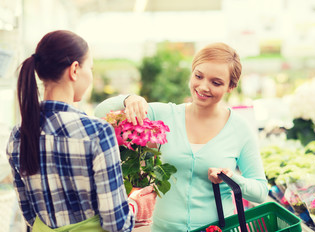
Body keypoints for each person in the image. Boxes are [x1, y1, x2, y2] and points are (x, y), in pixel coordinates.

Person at [94, 42, 269, 231]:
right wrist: (128, 99)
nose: (203, 87)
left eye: (216, 82)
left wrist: (231, 178)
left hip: (217, 228)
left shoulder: (239, 128)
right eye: (198, 76)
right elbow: (100, 113)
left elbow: (260, 192)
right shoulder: (164, 115)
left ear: (230, 87)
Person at [6, 30, 146, 232]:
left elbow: (28, 214)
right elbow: (116, 223)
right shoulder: (97, 132)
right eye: (90, 68)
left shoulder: (19, 133)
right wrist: (133, 206)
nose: (91, 75)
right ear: (74, 70)